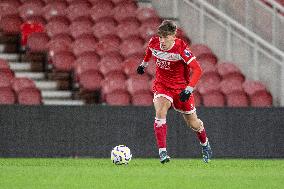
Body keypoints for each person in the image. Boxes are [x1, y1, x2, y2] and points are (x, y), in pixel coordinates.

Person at [137, 20, 212, 164]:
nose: (162, 41)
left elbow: (197, 70)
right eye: (160, 37)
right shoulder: (154, 43)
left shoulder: (181, 49)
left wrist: (189, 89)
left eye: (165, 37)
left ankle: (205, 145)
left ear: (173, 36)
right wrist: (143, 65)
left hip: (181, 89)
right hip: (162, 86)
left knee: (193, 123)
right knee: (160, 111)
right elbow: (149, 52)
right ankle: (163, 152)